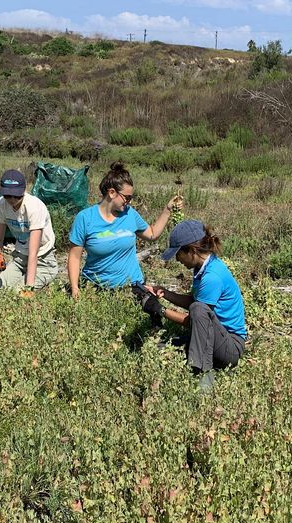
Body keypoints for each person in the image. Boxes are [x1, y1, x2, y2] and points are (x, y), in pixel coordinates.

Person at [67, 161, 182, 320]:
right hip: (97, 288)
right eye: (127, 197)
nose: (129, 201)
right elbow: (74, 257)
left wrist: (167, 210)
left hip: (131, 287)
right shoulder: (85, 218)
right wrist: (75, 288)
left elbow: (152, 234)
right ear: (112, 193)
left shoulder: (130, 214)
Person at [143, 219, 248, 387]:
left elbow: (197, 319)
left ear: (192, 250)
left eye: (178, 253)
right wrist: (164, 293)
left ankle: (204, 378)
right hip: (214, 338)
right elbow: (195, 301)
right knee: (160, 347)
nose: (177, 259)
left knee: (197, 310)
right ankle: (196, 364)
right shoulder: (202, 268)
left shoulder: (212, 276)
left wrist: (160, 310)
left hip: (230, 348)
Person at [0, 169, 57, 295]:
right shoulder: (2, 204)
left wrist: (28, 288)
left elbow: (33, 252)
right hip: (20, 259)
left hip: (42, 260)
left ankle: (44, 280)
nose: (12, 199)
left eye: (16, 195)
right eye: (8, 195)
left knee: (18, 293)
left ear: (24, 190)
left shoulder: (34, 207)